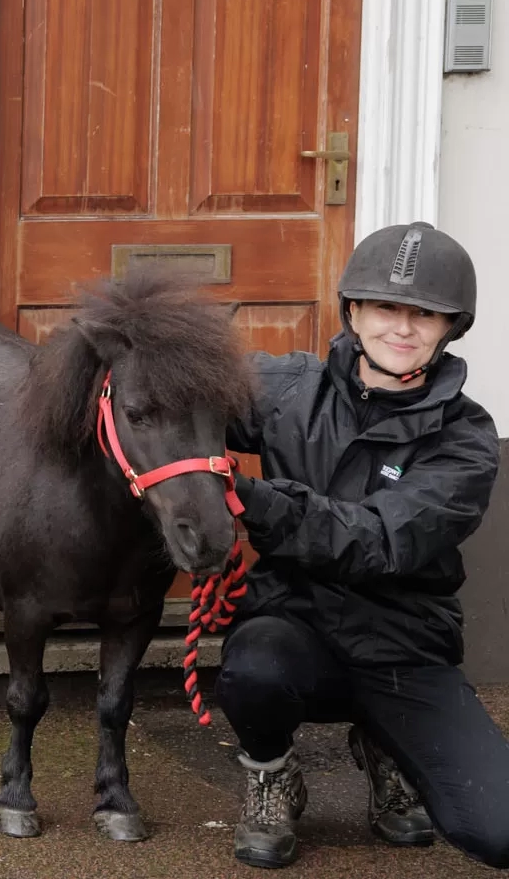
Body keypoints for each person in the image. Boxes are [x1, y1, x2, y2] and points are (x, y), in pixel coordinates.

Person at [219, 221, 509, 870]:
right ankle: (270, 772)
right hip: (295, 622)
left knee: (499, 829)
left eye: (423, 314)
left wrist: (253, 498)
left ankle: (385, 742)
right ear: (353, 310)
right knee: (253, 668)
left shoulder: (466, 440)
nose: (401, 328)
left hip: (402, 641)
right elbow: (188, 396)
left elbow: (377, 538)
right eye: (385, 307)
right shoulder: (288, 389)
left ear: (449, 327)